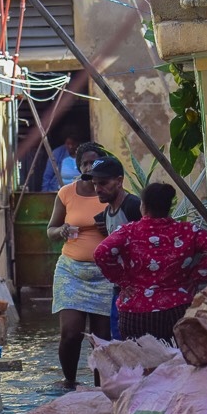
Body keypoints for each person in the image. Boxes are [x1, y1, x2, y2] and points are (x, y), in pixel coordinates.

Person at [94, 182, 207, 343]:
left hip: (135, 316)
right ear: (169, 207)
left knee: (140, 363)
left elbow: (101, 253)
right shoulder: (188, 231)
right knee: (177, 362)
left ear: (143, 206)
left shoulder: (128, 231)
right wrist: (196, 276)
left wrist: (123, 281)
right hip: (177, 312)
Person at [46, 153, 115, 387]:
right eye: (85, 163)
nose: (89, 167)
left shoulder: (110, 193)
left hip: (105, 274)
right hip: (71, 272)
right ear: (78, 166)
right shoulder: (66, 193)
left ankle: (101, 388)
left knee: (102, 338)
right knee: (70, 334)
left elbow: (127, 229)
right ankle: (70, 381)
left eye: (94, 163)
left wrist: (109, 229)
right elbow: (50, 230)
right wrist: (62, 230)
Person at [85, 154, 141, 341]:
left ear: (119, 181)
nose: (98, 189)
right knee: (119, 343)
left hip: (139, 290)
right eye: (95, 184)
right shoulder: (108, 212)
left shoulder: (133, 206)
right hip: (120, 289)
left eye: (103, 183)